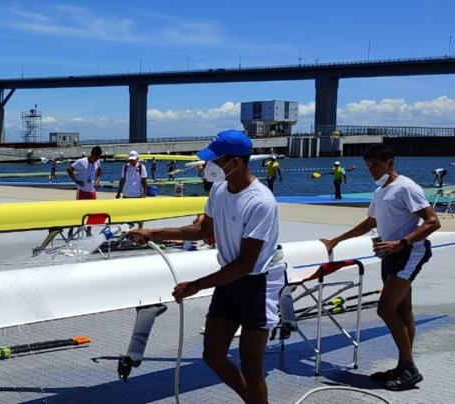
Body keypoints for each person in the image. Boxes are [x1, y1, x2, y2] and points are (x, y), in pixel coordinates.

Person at [128, 130, 284, 404]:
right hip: (229, 281)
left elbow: (245, 264)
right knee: (212, 356)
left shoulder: (261, 202)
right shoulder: (220, 190)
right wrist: (153, 233)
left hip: (257, 285)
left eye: (215, 160)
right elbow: (202, 229)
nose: (209, 166)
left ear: (234, 162)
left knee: (251, 363)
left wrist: (195, 286)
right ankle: (254, 401)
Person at [320, 144, 440, 391]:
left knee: (385, 309)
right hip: (390, 254)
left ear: (389, 162)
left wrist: (401, 242)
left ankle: (409, 368)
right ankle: (403, 365)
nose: (371, 170)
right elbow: (370, 223)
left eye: (375, 164)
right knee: (403, 312)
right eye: (368, 166)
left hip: (409, 252)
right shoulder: (380, 191)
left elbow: (432, 221)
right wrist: (337, 240)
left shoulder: (405, 187)